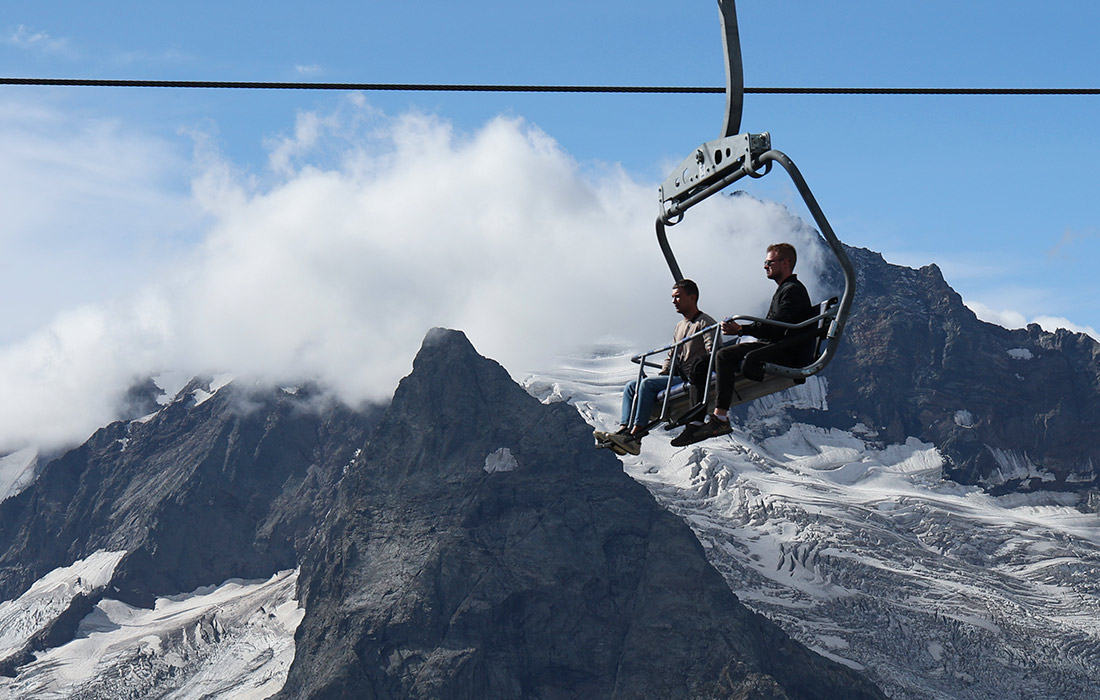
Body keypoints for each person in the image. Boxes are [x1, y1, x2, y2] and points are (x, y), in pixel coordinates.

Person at [672, 242, 815, 446]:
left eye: (769, 262)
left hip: (784, 350)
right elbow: (774, 325)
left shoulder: (792, 291)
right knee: (702, 364)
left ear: (785, 263)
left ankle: (720, 418)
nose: (765, 266)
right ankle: (694, 422)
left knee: (723, 355)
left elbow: (777, 326)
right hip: (775, 345)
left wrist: (742, 330)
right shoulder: (784, 290)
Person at [598, 279, 716, 455]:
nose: (674, 301)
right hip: (677, 374)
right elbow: (673, 353)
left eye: (678, 297)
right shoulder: (680, 326)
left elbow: (712, 350)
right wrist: (664, 374)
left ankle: (636, 435)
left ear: (692, 298)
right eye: (673, 297)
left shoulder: (705, 323)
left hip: (693, 376)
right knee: (632, 387)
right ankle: (624, 428)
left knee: (647, 385)